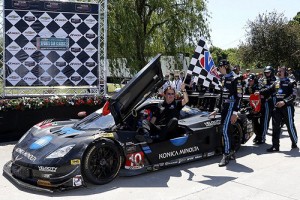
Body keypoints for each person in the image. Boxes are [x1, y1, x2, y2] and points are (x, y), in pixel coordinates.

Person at [209, 59, 243, 167]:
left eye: (220, 67)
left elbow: (239, 96)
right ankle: (232, 151)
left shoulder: (236, 78)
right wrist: (217, 109)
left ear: (225, 67)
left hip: (231, 107)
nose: (219, 69)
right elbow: (222, 95)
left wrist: (235, 112)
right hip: (224, 107)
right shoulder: (224, 78)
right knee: (227, 130)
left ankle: (226, 154)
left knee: (224, 129)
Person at [267, 66, 298, 152]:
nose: (278, 72)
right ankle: (275, 146)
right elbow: (269, 90)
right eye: (278, 71)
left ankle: (294, 143)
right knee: (275, 127)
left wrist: (284, 101)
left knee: (290, 125)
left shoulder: (291, 82)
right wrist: (259, 92)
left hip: (287, 107)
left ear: (285, 72)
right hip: (277, 107)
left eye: (280, 71)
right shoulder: (276, 82)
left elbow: (294, 95)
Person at [254, 66, 277, 144]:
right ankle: (259, 136)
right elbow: (260, 88)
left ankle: (263, 138)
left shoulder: (275, 80)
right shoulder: (262, 79)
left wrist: (261, 92)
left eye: (268, 72)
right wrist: (261, 92)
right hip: (263, 102)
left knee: (269, 121)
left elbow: (271, 89)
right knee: (261, 120)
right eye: (266, 72)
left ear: (272, 72)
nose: (267, 74)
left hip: (272, 102)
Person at [244, 74, 262, 143]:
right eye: (249, 80)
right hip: (249, 107)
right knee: (251, 123)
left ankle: (259, 137)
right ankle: (257, 135)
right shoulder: (247, 87)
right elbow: (245, 96)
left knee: (256, 123)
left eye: (251, 80)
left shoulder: (257, 87)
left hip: (256, 107)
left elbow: (257, 99)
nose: (250, 82)